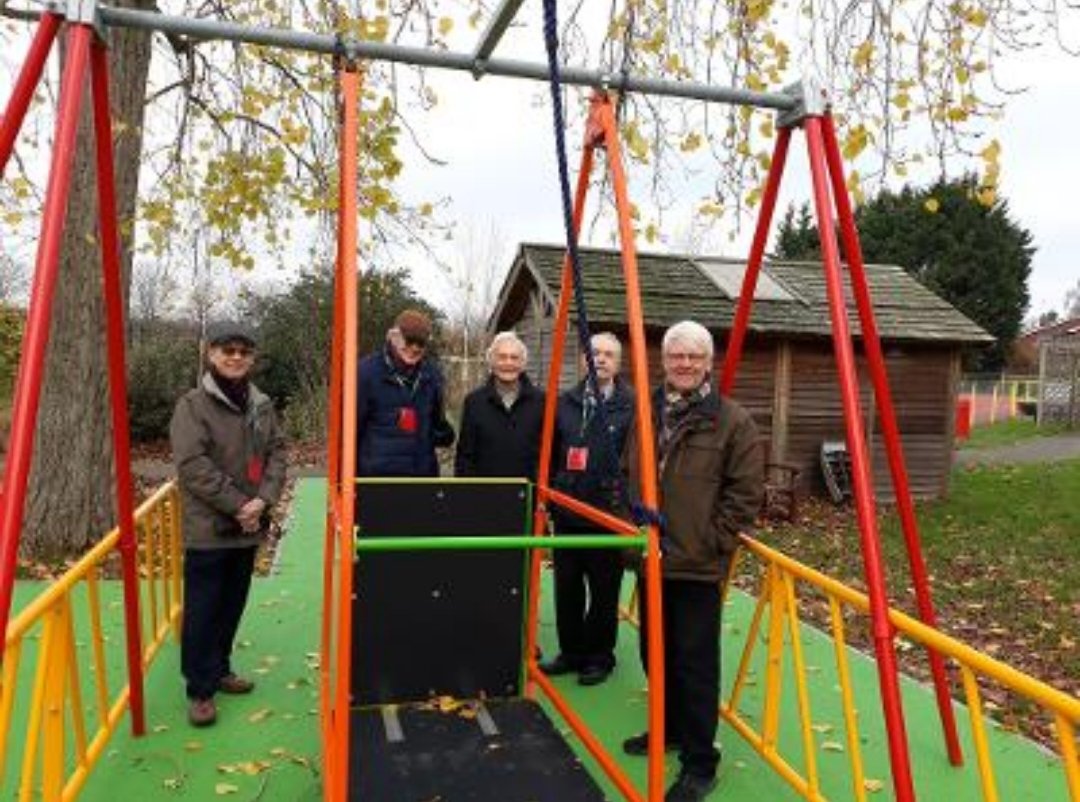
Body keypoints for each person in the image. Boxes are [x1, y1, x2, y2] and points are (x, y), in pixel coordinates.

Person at [621, 320, 763, 802]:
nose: (683, 364)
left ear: (707, 363)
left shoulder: (731, 421)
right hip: (651, 560)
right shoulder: (647, 411)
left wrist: (711, 543)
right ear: (664, 360)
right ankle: (670, 729)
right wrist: (632, 540)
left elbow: (745, 495)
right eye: (675, 356)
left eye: (693, 357)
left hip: (696, 565)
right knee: (652, 655)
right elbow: (627, 476)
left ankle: (701, 762)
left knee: (694, 665)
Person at [170, 320, 287, 727]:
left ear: (251, 358)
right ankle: (199, 690)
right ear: (211, 354)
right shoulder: (193, 405)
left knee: (232, 604)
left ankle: (220, 669)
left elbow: (277, 453)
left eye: (243, 351)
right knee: (203, 610)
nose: (236, 357)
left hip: (247, 527)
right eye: (227, 350)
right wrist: (240, 505)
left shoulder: (261, 403)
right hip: (209, 529)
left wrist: (264, 500)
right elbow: (192, 465)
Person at [540, 332, 634, 686]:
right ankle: (572, 651)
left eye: (609, 354)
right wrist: (552, 492)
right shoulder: (565, 402)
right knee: (567, 586)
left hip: (608, 513)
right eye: (595, 353)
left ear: (619, 363)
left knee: (604, 590)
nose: (601, 359)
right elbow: (549, 451)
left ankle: (599, 656)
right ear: (583, 359)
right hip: (567, 510)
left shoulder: (631, 405)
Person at [356, 309, 455, 477]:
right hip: (377, 480)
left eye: (421, 343)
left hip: (421, 478)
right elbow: (352, 430)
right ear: (393, 337)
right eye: (408, 341)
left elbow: (437, 425)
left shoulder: (433, 375)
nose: (414, 348)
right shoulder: (365, 372)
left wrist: (445, 432)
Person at [454, 330, 545, 479]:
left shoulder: (541, 402)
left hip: (529, 493)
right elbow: (465, 456)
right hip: (487, 493)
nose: (508, 363)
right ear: (491, 361)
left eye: (514, 358)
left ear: (523, 363)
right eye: (502, 357)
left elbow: (550, 453)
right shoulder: (474, 402)